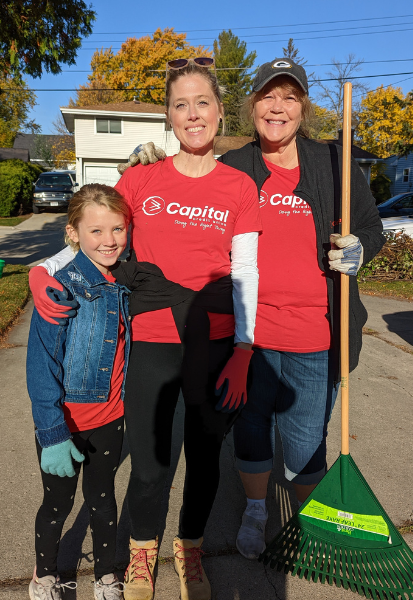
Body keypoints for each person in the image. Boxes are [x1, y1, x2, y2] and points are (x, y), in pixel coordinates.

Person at [115, 58, 384, 561]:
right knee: (252, 430)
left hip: (313, 330)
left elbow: (372, 228)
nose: (277, 107)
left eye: (289, 97)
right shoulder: (238, 166)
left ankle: (309, 524)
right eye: (267, 96)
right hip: (253, 332)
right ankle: (257, 511)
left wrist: (359, 250)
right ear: (250, 106)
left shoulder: (334, 164)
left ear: (303, 107)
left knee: (306, 439)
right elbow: (138, 214)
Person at [28, 58, 262, 600]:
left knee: (204, 462)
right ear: (169, 117)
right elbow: (96, 234)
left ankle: (191, 550)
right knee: (154, 462)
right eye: (180, 104)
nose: (193, 114)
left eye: (202, 102)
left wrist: (246, 349)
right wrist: (45, 270)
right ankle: (141, 553)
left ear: (220, 110)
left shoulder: (239, 187)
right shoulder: (140, 180)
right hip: (152, 342)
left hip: (216, 344)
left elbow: (246, 270)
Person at [26, 184, 131, 600]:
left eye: (118, 229)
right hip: (65, 425)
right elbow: (41, 366)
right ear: (73, 234)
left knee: (103, 501)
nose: (109, 240)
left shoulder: (124, 276)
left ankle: (107, 576)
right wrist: (51, 433)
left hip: (110, 419)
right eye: (96, 231)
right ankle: (45, 574)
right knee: (57, 506)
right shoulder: (60, 287)